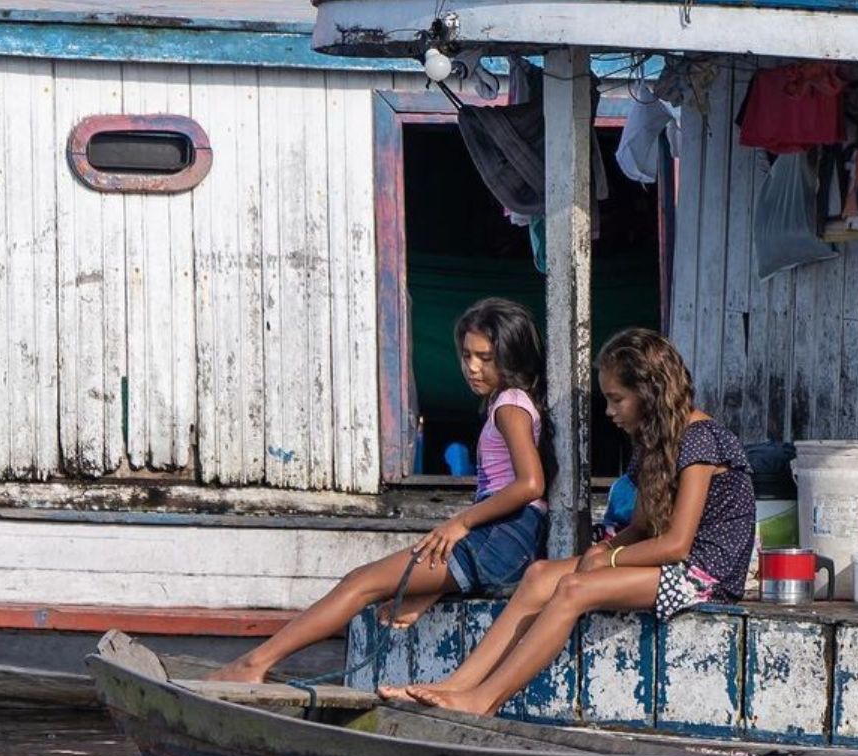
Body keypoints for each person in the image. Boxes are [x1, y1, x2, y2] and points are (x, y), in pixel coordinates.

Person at [392, 327, 755, 716]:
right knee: (539, 575)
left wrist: (609, 559)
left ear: (649, 392)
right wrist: (606, 549)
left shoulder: (700, 438)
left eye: (617, 399)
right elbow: (640, 527)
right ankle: (456, 685)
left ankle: (484, 700)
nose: (609, 411)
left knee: (573, 589)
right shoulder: (652, 442)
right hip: (667, 562)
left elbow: (677, 544)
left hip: (704, 574)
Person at [208, 297, 554, 684]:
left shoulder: (510, 405)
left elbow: (530, 484)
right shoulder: (509, 403)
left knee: (360, 584)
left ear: (511, 356)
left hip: (500, 535)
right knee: (377, 584)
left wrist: (460, 523)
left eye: (485, 358)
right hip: (506, 537)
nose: (472, 367)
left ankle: (252, 665)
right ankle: (433, 591)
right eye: (467, 355)